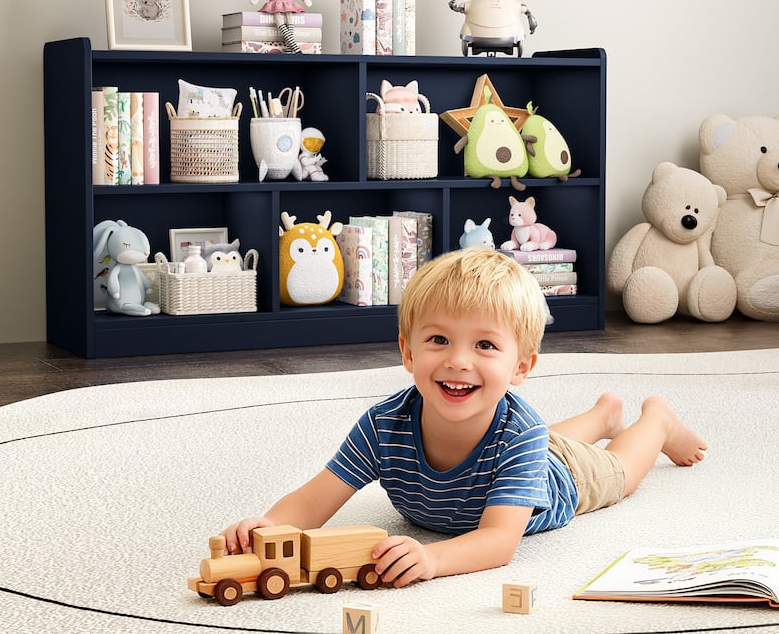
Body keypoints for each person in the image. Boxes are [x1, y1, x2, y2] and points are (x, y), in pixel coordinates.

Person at [221, 248, 706, 588]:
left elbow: (498, 540)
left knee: (619, 472)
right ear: (408, 352)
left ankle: (655, 421)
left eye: (485, 345)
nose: (458, 361)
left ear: (521, 367)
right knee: (544, 440)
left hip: (566, 479)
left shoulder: (521, 436)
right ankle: (602, 415)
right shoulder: (382, 426)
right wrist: (270, 527)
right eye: (438, 340)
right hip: (526, 448)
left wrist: (431, 558)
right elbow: (315, 498)